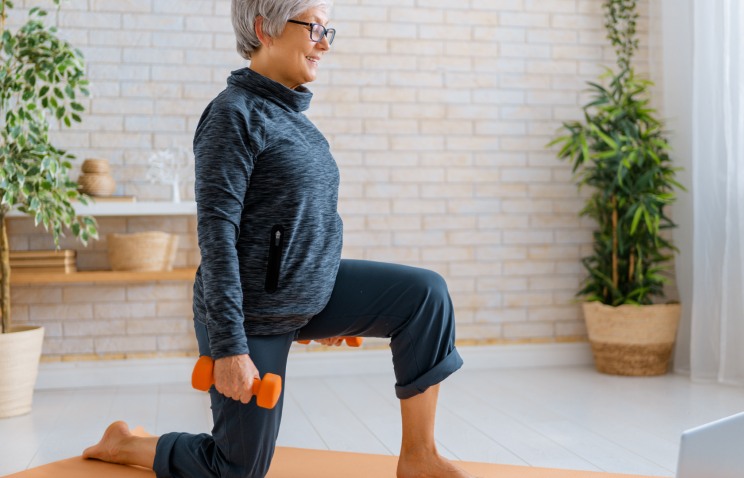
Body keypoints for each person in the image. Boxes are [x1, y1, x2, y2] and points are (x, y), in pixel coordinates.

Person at [83, 1, 475, 477]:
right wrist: (228, 347)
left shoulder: (296, 120)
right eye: (314, 28)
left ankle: (419, 457)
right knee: (238, 469)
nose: (325, 42)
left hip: (303, 297)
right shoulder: (231, 115)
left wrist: (323, 302)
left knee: (424, 295)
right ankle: (128, 444)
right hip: (247, 314)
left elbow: (307, 224)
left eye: (330, 31)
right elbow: (216, 235)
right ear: (263, 28)